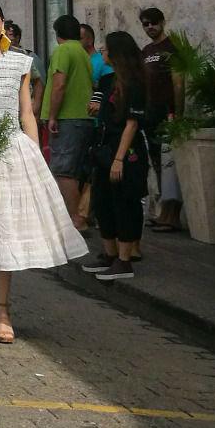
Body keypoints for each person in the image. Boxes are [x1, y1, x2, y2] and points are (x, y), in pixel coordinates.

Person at [0, 1, 87, 342]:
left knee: (5, 232)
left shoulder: (21, 63)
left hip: (11, 151)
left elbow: (26, 114)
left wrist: (35, 155)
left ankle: (4, 307)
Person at [82, 32, 148, 281]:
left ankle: (124, 259)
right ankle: (109, 254)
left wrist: (119, 159)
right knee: (103, 202)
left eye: (106, 49)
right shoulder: (110, 81)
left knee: (124, 203)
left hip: (126, 151)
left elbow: (132, 124)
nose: (103, 53)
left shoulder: (134, 83)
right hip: (105, 147)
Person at [40, 15, 94, 231]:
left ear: (57, 33)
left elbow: (59, 85)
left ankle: (75, 220)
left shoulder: (63, 51)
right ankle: (81, 214)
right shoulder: (83, 52)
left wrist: (52, 115)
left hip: (67, 118)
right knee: (78, 172)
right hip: (84, 118)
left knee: (63, 171)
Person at [139, 8, 184, 231]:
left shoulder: (171, 48)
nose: (150, 27)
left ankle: (172, 215)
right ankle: (161, 212)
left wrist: (178, 113)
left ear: (163, 21)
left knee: (170, 164)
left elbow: (178, 82)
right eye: (145, 24)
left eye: (153, 23)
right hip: (149, 113)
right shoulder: (146, 50)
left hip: (167, 112)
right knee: (157, 163)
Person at [6, 21, 44, 116]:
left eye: (10, 34)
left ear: (18, 37)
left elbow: (40, 82)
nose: (8, 38)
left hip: (25, 109)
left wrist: (36, 107)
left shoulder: (29, 56)